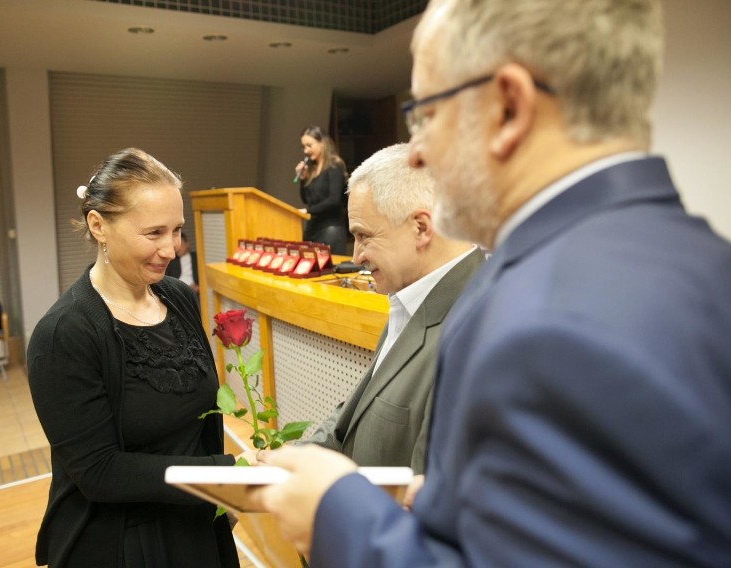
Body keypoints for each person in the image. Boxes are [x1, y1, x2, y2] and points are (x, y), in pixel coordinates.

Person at [249, 1, 731, 566]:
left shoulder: (546, 320)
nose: (420, 151)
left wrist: (337, 514)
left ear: (507, 107)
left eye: (425, 113)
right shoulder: (703, 262)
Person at [27, 148, 240, 568]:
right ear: (98, 226)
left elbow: (201, 423)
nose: (171, 249)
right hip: (121, 541)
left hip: (192, 518)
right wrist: (226, 473)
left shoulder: (177, 298)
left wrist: (219, 497)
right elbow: (100, 471)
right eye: (153, 232)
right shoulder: (64, 335)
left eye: (177, 231)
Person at [306, 143, 483, 474]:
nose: (356, 256)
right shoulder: (408, 298)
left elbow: (426, 502)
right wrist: (299, 458)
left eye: (364, 236)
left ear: (421, 228)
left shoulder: (472, 333)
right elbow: (359, 409)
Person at [295, 125, 349, 255]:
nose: (306, 151)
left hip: (330, 229)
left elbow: (334, 199)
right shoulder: (312, 169)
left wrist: (307, 211)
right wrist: (302, 180)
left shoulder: (334, 165)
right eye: (303, 147)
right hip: (313, 227)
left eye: (309, 145)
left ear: (322, 143)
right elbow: (306, 199)